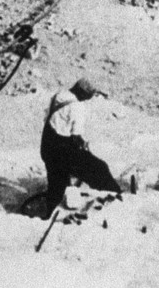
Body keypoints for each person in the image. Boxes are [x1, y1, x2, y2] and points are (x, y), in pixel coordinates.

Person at [40, 78, 120, 217]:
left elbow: (49, 118)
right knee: (99, 168)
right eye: (90, 95)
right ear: (82, 93)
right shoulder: (77, 107)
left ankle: (48, 212)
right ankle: (113, 194)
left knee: (56, 182)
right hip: (62, 149)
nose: (90, 98)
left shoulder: (59, 95)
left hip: (47, 145)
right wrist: (84, 148)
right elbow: (76, 136)